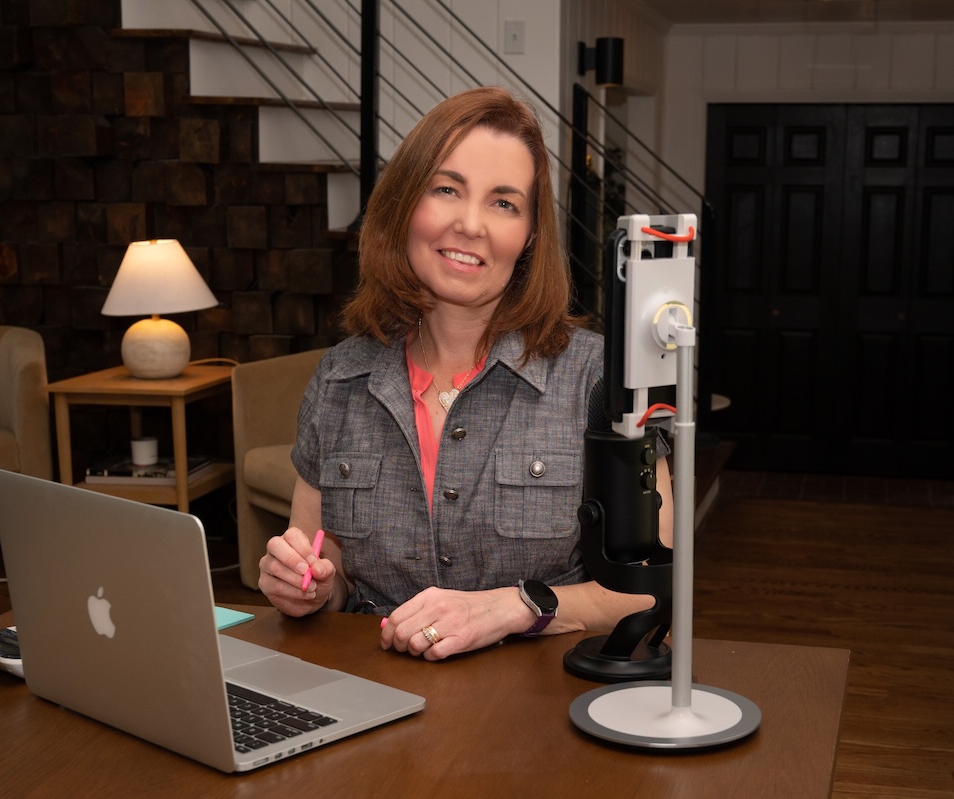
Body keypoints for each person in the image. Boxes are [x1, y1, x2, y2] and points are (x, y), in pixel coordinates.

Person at [258, 86, 673, 661]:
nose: (471, 224)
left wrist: (513, 607)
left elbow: (653, 600)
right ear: (406, 206)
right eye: (447, 189)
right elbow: (331, 581)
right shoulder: (339, 381)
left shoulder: (600, 380)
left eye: (504, 203)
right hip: (375, 704)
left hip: (539, 718)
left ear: (529, 236)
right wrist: (310, 589)